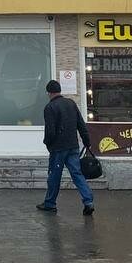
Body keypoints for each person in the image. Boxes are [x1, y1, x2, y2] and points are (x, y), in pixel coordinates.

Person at [36, 79, 95, 216]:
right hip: (73, 146)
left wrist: (47, 143)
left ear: (49, 93)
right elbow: (81, 124)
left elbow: (50, 131)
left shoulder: (50, 107)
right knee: (77, 174)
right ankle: (88, 201)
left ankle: (50, 203)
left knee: (54, 176)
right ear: (59, 90)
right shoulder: (71, 103)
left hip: (58, 148)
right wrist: (87, 141)